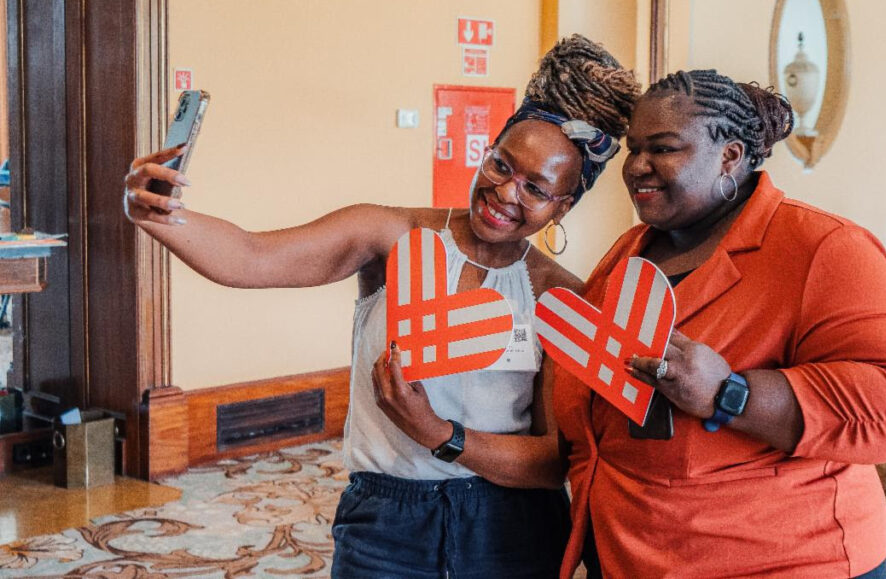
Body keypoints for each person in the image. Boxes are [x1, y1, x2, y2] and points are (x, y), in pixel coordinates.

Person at [123, 35, 640, 578]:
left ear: (563, 207)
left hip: (509, 529)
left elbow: (552, 459)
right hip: (387, 522)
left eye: (535, 189)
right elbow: (249, 257)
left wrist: (439, 434)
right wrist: (154, 212)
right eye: (501, 165)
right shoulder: (390, 236)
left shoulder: (560, 296)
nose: (506, 192)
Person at [553, 69, 886, 578]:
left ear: (730, 156)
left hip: (780, 557)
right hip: (632, 547)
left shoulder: (822, 247)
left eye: (663, 148)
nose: (636, 167)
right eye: (633, 149)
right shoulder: (632, 250)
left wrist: (732, 394)